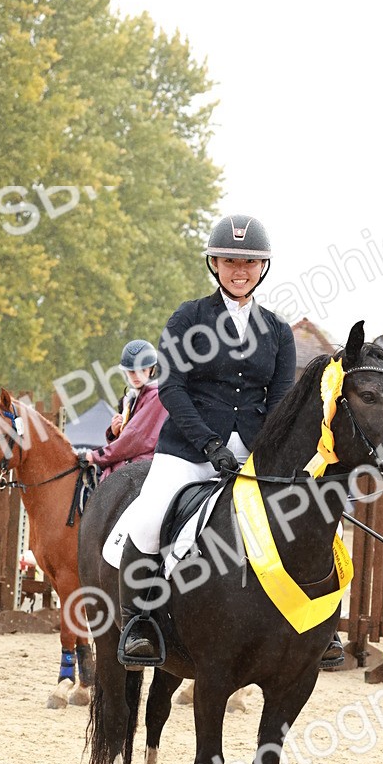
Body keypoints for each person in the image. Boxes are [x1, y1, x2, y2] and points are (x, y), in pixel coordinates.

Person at [116, 213, 299, 667]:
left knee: (306, 512)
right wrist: (209, 446)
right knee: (149, 516)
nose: (241, 270)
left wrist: (266, 453)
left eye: (251, 262)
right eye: (230, 260)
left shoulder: (278, 331)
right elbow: (172, 388)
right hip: (189, 449)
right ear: (214, 264)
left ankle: (315, 621)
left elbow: (279, 400)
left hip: (255, 452)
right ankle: (139, 621)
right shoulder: (189, 317)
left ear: (263, 268)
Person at [80, 339, 166, 481]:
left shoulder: (156, 396)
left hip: (146, 465)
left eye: (142, 370)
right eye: (132, 372)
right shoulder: (130, 398)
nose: (136, 376)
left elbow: (134, 438)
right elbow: (126, 439)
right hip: (130, 462)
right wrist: (114, 433)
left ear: (152, 369)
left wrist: (95, 456)